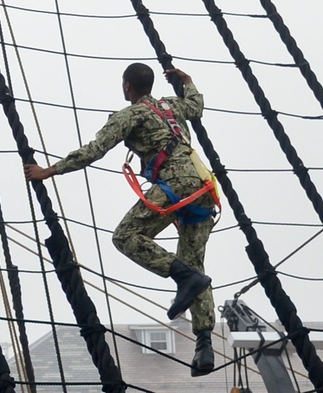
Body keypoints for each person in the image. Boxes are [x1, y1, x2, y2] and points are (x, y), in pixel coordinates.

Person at [24, 63, 217, 376]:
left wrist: (49, 170)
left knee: (126, 237)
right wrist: (188, 81)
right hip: (204, 186)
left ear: (128, 86)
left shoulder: (130, 114)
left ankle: (182, 276)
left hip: (176, 183)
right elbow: (196, 105)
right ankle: (204, 346)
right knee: (195, 264)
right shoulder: (172, 105)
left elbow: (95, 149)